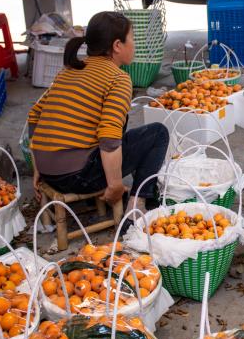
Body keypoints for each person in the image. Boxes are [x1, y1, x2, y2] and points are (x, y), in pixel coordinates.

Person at [28, 11, 169, 215]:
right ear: (117, 46)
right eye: (132, 39)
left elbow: (34, 115)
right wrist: (115, 186)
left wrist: (38, 166)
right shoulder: (117, 79)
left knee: (117, 122)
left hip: (49, 173)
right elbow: (109, 140)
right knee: (157, 133)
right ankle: (137, 204)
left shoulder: (69, 70)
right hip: (79, 176)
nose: (134, 45)